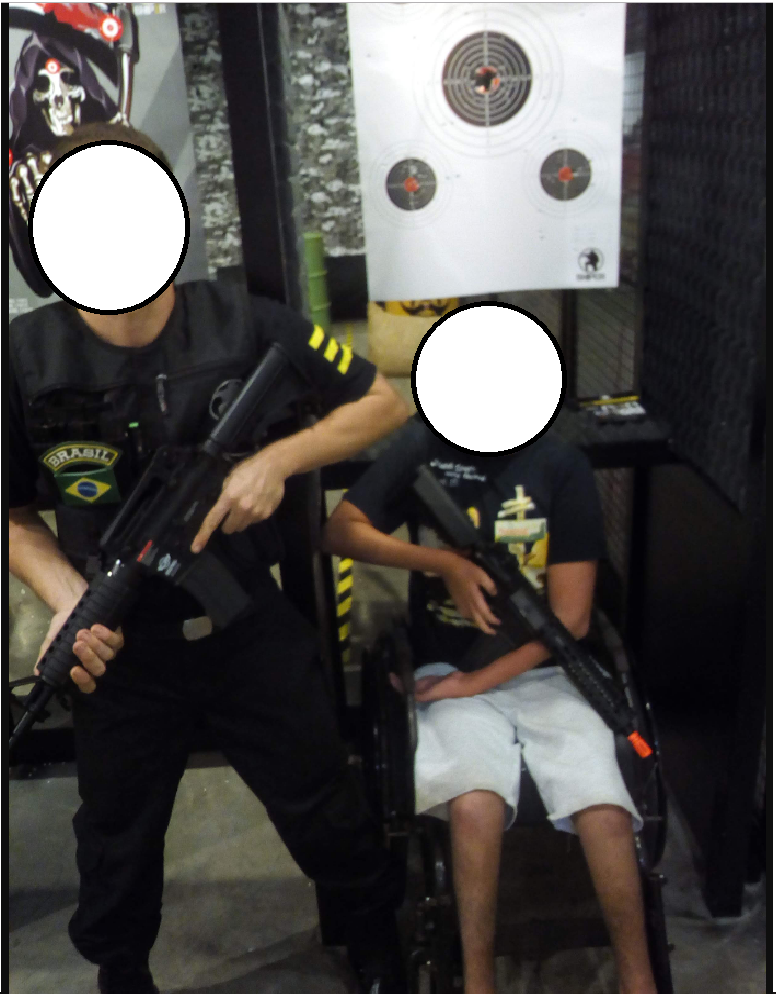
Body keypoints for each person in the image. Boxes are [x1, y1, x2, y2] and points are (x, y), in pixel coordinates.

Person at [9, 122, 411, 994]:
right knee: (115, 836)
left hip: (242, 622)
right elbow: (10, 514)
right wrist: (67, 597)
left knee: (320, 796)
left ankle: (373, 934)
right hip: (119, 645)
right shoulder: (25, 356)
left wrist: (277, 461)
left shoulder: (239, 321)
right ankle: (121, 970)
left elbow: (379, 403)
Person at [322, 415, 659, 994]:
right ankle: (477, 982)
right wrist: (444, 564)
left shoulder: (561, 464)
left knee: (605, 809)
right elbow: (340, 531)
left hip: (546, 671)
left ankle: (638, 978)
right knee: (474, 806)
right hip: (445, 667)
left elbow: (571, 620)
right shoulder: (425, 445)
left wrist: (478, 682)